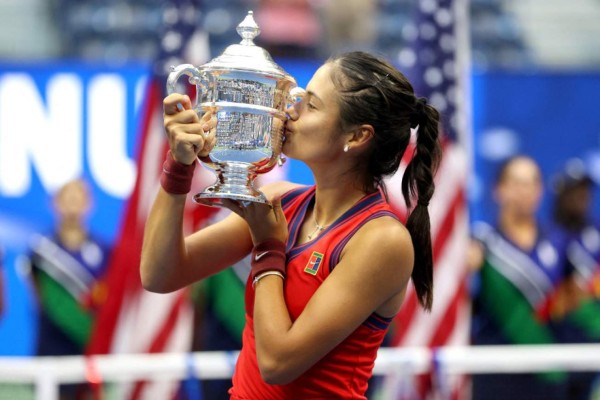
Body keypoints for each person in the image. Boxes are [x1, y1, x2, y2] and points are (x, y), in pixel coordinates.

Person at [141, 51, 442, 399]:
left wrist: (269, 249)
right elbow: (159, 275)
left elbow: (278, 364)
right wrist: (179, 165)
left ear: (358, 137)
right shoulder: (281, 201)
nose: (290, 112)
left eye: (310, 105)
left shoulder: (382, 240)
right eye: (297, 98)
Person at [468, 155, 571, 400]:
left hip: (548, 373)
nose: (523, 191)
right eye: (515, 183)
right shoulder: (481, 242)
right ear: (498, 190)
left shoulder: (560, 242)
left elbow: (576, 303)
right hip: (496, 373)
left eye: (530, 183)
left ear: (540, 191)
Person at [28, 179, 110, 398]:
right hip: (52, 347)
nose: (73, 204)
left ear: (89, 203)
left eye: (78, 198)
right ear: (55, 204)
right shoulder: (40, 252)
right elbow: (38, 297)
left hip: (89, 349)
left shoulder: (104, 250)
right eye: (67, 199)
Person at [549, 159, 600, 400]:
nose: (583, 196)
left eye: (586, 190)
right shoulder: (545, 238)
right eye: (575, 190)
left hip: (593, 345)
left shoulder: (596, 233)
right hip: (557, 344)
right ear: (561, 193)